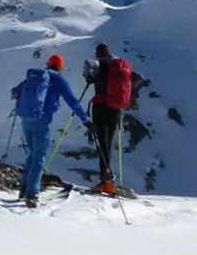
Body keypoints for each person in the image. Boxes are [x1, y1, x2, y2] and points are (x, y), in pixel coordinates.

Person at [11, 54, 94, 208]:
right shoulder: (58, 80)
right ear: (60, 67)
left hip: (25, 120)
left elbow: (14, 92)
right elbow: (72, 101)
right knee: (39, 158)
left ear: (48, 64)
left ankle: (23, 188)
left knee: (32, 154)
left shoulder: (34, 77)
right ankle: (32, 194)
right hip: (41, 122)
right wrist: (86, 120)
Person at [83, 42, 143, 195]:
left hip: (101, 106)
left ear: (98, 53)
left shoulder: (99, 64)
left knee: (102, 144)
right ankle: (108, 180)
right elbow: (138, 78)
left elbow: (88, 75)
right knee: (108, 144)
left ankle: (107, 181)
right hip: (116, 108)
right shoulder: (121, 65)